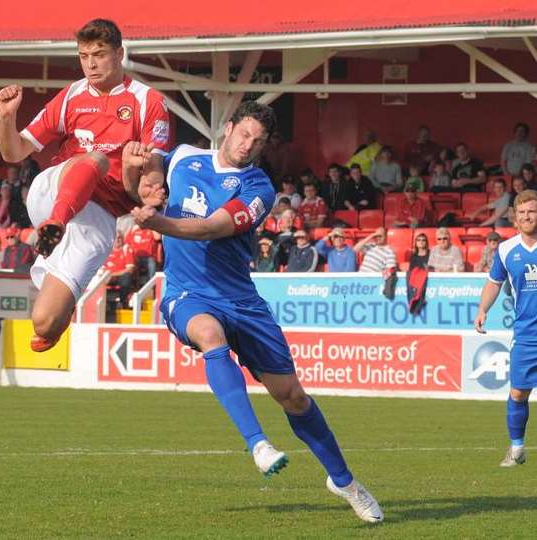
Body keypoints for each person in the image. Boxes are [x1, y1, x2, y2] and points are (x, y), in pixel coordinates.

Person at [130, 101, 382, 523]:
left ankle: (345, 482)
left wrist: (155, 223)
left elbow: (212, 227)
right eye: (244, 134)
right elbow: (149, 167)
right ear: (227, 129)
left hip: (243, 302)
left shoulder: (259, 189)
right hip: (187, 292)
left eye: (258, 141)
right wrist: (143, 178)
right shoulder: (187, 157)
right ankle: (258, 444)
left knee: (294, 398)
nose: (248, 145)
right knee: (210, 335)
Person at [0, 18, 169, 352]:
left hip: (98, 218)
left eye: (99, 54)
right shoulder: (72, 95)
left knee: (43, 328)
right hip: (54, 194)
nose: (90, 63)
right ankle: (54, 226)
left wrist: (150, 186)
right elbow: (14, 152)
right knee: (97, 160)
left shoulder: (148, 101)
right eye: (84, 55)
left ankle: (59, 311)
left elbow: (155, 165)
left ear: (119, 54)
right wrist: (6, 117)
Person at [475, 190, 537, 467]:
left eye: (532, 211)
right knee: (518, 393)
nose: (527, 216)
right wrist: (482, 309)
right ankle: (516, 449)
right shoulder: (505, 250)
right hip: (526, 336)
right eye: (522, 212)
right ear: (515, 217)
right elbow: (494, 283)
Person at [102, 234, 136, 309]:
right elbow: (102, 268)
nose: (117, 240)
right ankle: (102, 304)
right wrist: (106, 275)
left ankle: (122, 301)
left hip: (120, 276)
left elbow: (130, 269)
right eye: (115, 238)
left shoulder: (126, 249)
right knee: (98, 278)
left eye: (119, 238)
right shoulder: (107, 251)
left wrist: (113, 274)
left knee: (126, 277)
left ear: (122, 239)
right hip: (107, 277)